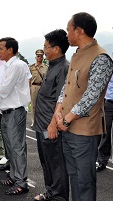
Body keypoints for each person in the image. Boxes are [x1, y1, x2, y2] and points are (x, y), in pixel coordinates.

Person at [55, 12, 113, 201]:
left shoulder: (101, 58)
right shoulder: (77, 54)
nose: (67, 34)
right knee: (74, 178)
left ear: (78, 31)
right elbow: (67, 86)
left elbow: (91, 97)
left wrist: (66, 119)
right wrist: (58, 109)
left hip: (84, 131)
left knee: (85, 182)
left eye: (68, 29)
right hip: (67, 126)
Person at [0, 37, 30, 195]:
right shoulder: (4, 67)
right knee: (10, 148)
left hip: (15, 111)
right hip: (4, 111)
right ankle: (14, 176)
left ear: (10, 50)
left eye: (1, 48)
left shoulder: (18, 65)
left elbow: (4, 89)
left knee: (17, 147)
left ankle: (21, 182)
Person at [33, 29, 70, 201]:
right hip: (41, 125)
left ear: (56, 49)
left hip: (50, 126)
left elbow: (62, 100)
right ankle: (50, 192)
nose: (44, 50)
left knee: (56, 163)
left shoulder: (63, 68)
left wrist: (53, 125)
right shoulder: (52, 66)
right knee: (46, 161)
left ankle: (59, 197)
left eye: (46, 47)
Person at [29, 49, 48, 127]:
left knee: (42, 105)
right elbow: (29, 79)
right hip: (34, 87)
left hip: (42, 87)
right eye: (38, 56)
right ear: (35, 57)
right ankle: (34, 121)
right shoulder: (32, 67)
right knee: (33, 105)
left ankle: (41, 121)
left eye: (41, 56)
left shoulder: (46, 67)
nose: (39, 57)